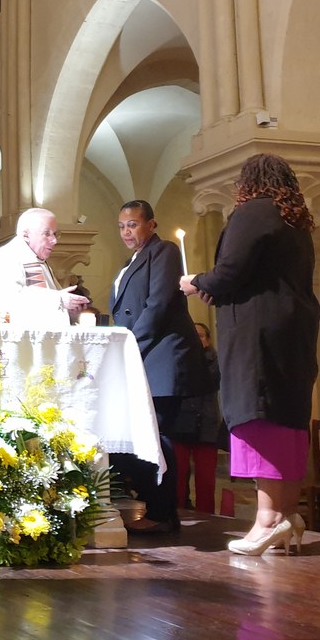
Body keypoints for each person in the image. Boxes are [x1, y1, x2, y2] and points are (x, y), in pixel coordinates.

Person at [180, 154, 319, 556]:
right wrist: (218, 288)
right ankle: (288, 514)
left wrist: (196, 281)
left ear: (248, 182)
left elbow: (230, 271)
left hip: (258, 335)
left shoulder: (253, 212)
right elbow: (256, 276)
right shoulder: (294, 220)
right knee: (287, 417)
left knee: (261, 416)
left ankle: (267, 520)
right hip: (292, 331)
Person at [109, 200, 205, 534]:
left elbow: (158, 304)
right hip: (144, 357)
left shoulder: (163, 251)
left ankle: (163, 513)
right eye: (122, 226)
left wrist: (127, 344)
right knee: (146, 435)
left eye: (133, 224)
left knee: (158, 435)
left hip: (162, 357)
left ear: (151, 224)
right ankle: (157, 507)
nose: (126, 232)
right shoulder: (131, 261)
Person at [0, 207, 91, 325]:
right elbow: (9, 299)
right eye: (47, 233)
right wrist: (58, 300)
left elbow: (45, 308)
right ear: (26, 235)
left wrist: (69, 310)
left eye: (55, 234)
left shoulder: (40, 262)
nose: (54, 240)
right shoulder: (8, 256)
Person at [173, 321, 224, 513]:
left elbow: (209, 382)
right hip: (180, 422)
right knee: (178, 475)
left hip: (207, 423)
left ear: (208, 340)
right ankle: (177, 514)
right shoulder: (176, 358)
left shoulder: (215, 361)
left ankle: (207, 516)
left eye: (200, 336)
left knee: (206, 478)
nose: (195, 340)